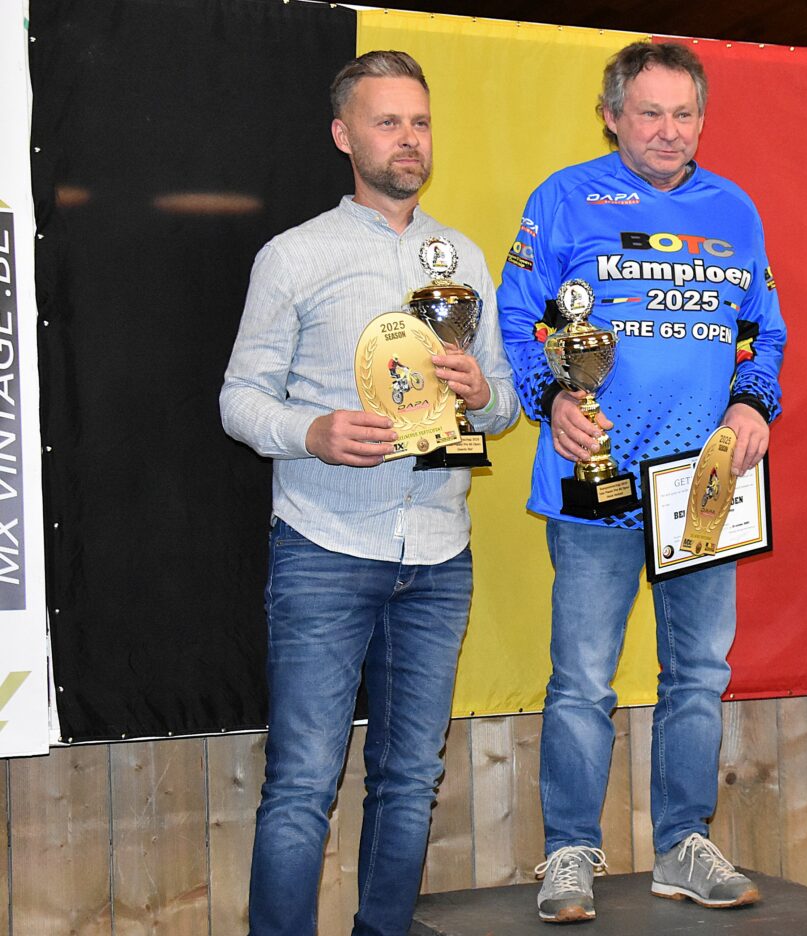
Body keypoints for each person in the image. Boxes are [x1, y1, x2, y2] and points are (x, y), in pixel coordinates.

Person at [220, 50, 519, 936]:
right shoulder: (294, 256)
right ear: (344, 136)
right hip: (323, 546)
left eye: (419, 122)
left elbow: (503, 404)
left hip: (439, 553)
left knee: (411, 779)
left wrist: (481, 392)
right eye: (388, 123)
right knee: (303, 782)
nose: (409, 139)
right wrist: (311, 432)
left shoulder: (462, 258)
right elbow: (239, 398)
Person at [496, 40, 785, 925]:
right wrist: (551, 399)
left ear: (702, 118)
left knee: (697, 673)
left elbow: (762, 331)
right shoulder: (562, 198)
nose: (668, 130)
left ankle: (682, 845)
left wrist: (752, 404)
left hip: (704, 485)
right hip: (596, 484)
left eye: (683, 113)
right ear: (611, 116)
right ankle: (568, 852)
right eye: (649, 113)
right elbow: (519, 314)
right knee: (582, 679)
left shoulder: (734, 209)